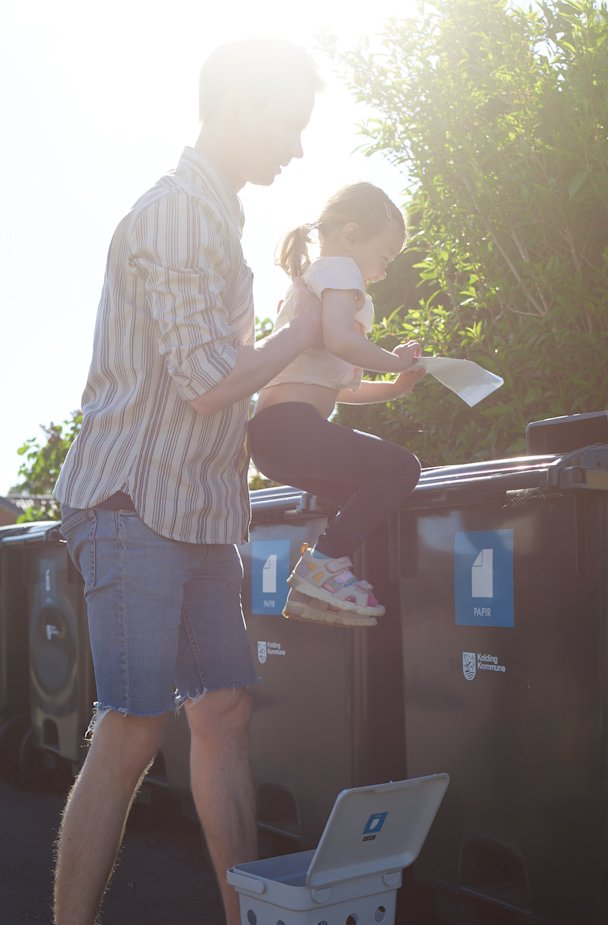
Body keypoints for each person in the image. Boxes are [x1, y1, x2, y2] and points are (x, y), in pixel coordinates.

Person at [52, 38, 322, 925]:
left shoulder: (220, 226)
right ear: (239, 104)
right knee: (133, 728)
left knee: (227, 710)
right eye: (289, 124)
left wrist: (332, 367)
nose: (297, 147)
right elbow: (208, 379)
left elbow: (228, 386)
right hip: (133, 504)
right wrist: (303, 330)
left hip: (201, 514)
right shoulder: (174, 216)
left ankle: (251, 916)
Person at [247, 182, 426, 628]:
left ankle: (322, 589)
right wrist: (393, 358)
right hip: (291, 427)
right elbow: (342, 340)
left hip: (276, 436)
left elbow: (335, 387)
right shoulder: (338, 271)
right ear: (350, 235)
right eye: (385, 258)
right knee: (402, 469)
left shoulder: (319, 280)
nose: (383, 273)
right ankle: (321, 568)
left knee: (371, 502)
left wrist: (395, 385)